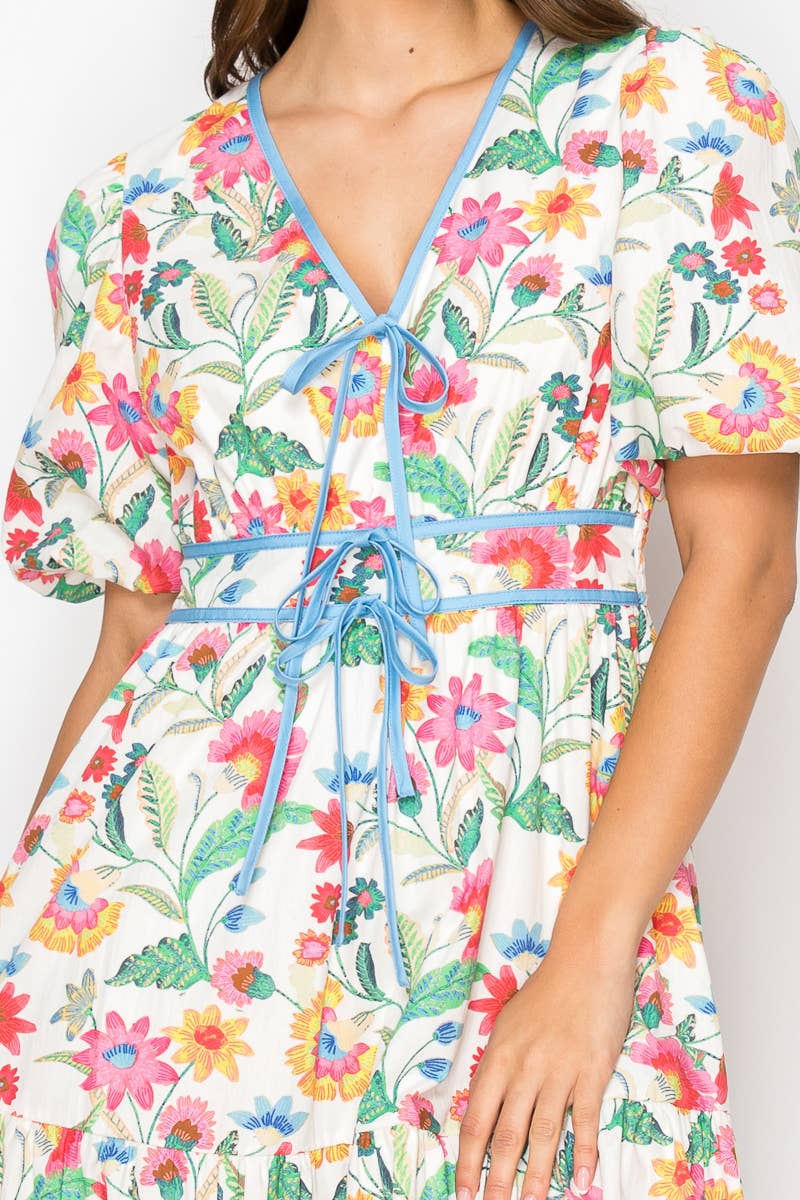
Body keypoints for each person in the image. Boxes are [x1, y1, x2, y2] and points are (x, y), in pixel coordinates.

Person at [1, 1, 797, 1197]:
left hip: (533, 908)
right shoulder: (141, 207)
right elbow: (135, 636)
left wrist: (591, 952)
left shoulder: (667, 112)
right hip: (158, 987)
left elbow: (745, 564)